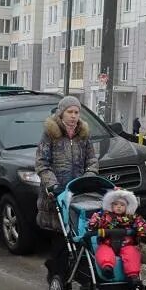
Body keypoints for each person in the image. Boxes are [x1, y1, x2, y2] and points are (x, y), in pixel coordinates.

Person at [35, 96, 99, 232]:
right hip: (57, 193)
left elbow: (92, 160)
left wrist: (88, 179)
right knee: (59, 235)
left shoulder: (83, 134)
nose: (73, 116)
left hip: (78, 192)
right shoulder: (50, 133)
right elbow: (42, 162)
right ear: (61, 113)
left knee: (77, 232)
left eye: (76, 112)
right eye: (70, 112)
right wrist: (53, 186)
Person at [87, 188, 146, 282]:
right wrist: (94, 223)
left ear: (127, 206)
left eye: (122, 205)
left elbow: (141, 224)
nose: (119, 207)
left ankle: (132, 275)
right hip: (107, 243)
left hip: (127, 243)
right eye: (115, 204)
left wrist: (142, 234)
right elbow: (95, 222)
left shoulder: (132, 216)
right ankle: (107, 268)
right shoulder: (105, 215)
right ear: (111, 205)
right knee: (103, 252)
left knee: (132, 253)